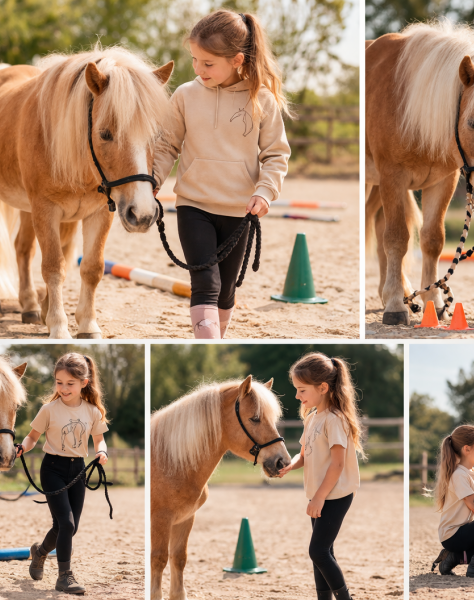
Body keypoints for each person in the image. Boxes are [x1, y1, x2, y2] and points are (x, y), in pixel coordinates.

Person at [152, 9, 291, 339]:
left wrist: (265, 191)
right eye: (195, 60)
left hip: (239, 211)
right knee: (205, 283)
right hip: (193, 207)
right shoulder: (185, 94)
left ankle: (216, 338)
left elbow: (276, 154)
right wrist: (153, 180)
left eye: (208, 63)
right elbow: (166, 146)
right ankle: (207, 343)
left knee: (226, 291)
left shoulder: (263, 100)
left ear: (237, 60)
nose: (199, 70)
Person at [15, 353, 110, 595]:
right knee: (66, 524)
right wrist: (22, 447)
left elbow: (99, 440)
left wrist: (102, 453)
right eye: (59, 382)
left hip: (78, 470)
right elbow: (33, 437)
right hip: (52, 469)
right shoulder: (49, 409)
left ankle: (39, 552)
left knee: (67, 527)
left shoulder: (92, 411)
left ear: (83, 383)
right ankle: (64, 577)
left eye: (70, 383)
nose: (64, 388)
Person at [278, 353, 363, 600]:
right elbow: (303, 456)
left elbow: (337, 465)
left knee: (318, 551)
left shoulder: (335, 420)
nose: (297, 396)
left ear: (323, 387)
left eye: (302, 390)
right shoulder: (312, 418)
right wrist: (289, 465)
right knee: (323, 552)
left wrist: (318, 498)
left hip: (335, 495)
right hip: (320, 496)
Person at [427, 425, 474, 578]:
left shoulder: (473, 472)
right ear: (467, 449)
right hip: (452, 535)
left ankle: (453, 558)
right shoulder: (459, 475)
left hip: (463, 532)